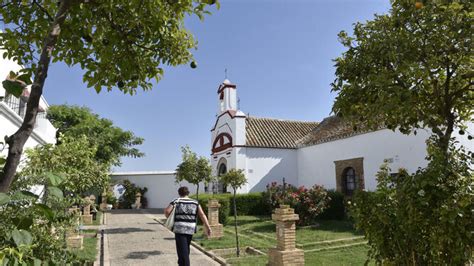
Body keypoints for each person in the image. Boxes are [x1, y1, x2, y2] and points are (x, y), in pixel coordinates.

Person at [165, 186, 211, 266]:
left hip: (179, 229)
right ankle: (181, 263)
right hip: (190, 229)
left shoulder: (176, 201)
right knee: (185, 248)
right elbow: (202, 214)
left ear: (179, 193)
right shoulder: (195, 202)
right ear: (188, 193)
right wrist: (208, 226)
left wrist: (170, 218)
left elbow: (167, 211)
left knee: (183, 250)